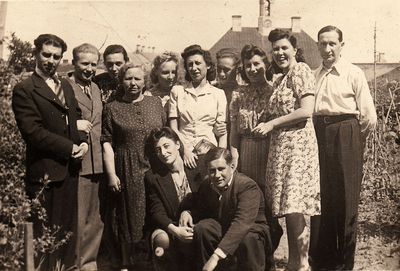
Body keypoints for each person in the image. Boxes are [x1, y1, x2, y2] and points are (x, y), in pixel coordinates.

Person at [12, 34, 88, 270]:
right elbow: (33, 132)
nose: (51, 60)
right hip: (44, 176)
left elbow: (77, 118)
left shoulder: (65, 85)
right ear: (36, 54)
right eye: (46, 54)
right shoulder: (25, 89)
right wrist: (69, 147)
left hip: (69, 173)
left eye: (56, 56)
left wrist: (83, 141)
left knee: (66, 237)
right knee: (43, 240)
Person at [252, 29, 321, 271]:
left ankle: (301, 264)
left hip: (297, 147)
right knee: (290, 208)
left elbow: (305, 110)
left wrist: (271, 124)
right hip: (282, 147)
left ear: (294, 49)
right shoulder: (281, 78)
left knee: (296, 206)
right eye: (275, 49)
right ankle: (293, 262)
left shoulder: (300, 70)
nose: (279, 53)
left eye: (284, 48)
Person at [311, 25, 377, 271]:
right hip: (319, 133)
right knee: (322, 197)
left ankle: (344, 262)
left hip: (346, 133)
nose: (327, 49)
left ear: (341, 45)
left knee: (346, 198)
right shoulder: (314, 74)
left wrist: (351, 141)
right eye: (322, 44)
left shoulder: (353, 73)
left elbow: (369, 118)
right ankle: (324, 259)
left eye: (332, 44)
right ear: (317, 46)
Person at [101, 62, 166, 269]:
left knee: (155, 211)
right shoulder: (112, 108)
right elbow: (107, 144)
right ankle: (128, 264)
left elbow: (164, 134)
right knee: (130, 217)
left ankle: (155, 262)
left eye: (138, 78)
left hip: (155, 166)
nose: (133, 83)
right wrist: (111, 174)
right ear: (121, 81)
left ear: (145, 81)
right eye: (128, 78)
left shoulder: (155, 103)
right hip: (127, 167)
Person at [180, 147, 271, 271]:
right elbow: (201, 208)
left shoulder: (247, 186)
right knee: (203, 228)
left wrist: (216, 257)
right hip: (225, 226)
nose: (217, 175)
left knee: (248, 238)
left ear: (232, 166)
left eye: (221, 169)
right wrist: (188, 212)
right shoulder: (208, 184)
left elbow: (242, 223)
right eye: (212, 171)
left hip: (252, 231)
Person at [66, 43, 104, 270]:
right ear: (73, 63)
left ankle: (89, 263)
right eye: (84, 63)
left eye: (93, 64)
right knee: (78, 219)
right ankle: (74, 264)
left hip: (97, 162)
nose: (89, 68)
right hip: (78, 162)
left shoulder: (96, 88)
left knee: (95, 219)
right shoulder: (65, 86)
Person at [144, 127, 203, 271]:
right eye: (158, 150)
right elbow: (156, 211)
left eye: (166, 146)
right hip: (171, 225)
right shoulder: (153, 176)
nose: (163, 153)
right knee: (161, 239)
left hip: (197, 221)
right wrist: (175, 230)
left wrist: (189, 212)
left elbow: (205, 200)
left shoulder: (196, 167)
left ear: (177, 144)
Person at [169, 44, 227, 170]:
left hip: (210, 156)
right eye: (190, 64)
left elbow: (222, 132)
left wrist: (220, 158)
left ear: (208, 65)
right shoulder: (178, 91)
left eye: (198, 63)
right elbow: (173, 129)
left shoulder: (218, 94)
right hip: (184, 154)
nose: (194, 68)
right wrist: (184, 151)